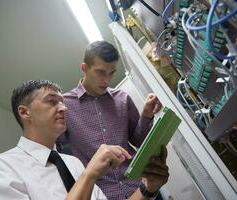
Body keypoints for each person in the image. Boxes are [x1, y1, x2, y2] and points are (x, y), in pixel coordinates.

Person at [0, 80, 169, 200]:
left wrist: (148, 188)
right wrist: (89, 176)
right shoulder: (0, 169)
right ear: (24, 112)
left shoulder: (73, 164)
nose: (64, 108)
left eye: (62, 101)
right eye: (52, 101)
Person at [58, 41, 163, 199]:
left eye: (111, 73)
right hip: (103, 194)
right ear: (84, 68)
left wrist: (147, 115)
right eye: (100, 72)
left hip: (141, 186)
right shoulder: (65, 106)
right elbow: (56, 148)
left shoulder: (122, 98)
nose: (106, 80)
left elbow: (138, 140)